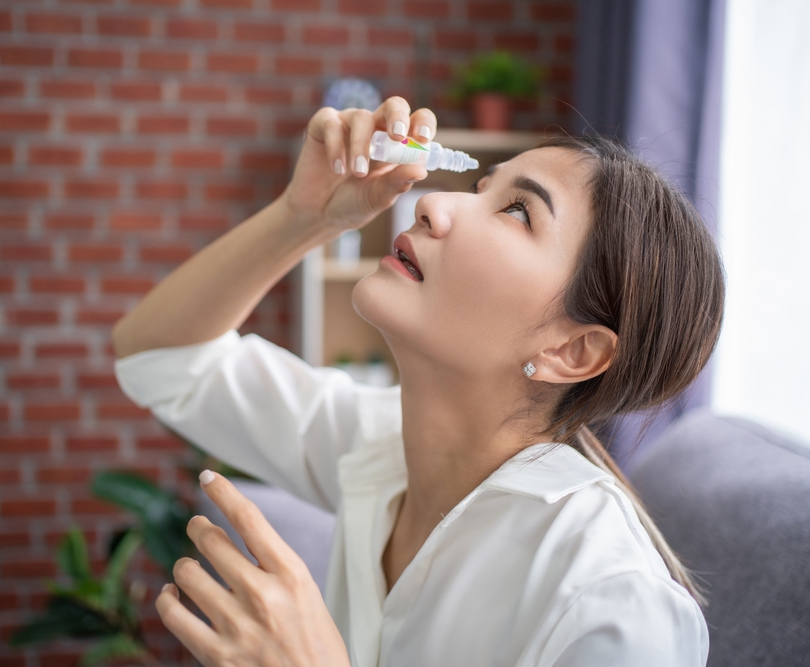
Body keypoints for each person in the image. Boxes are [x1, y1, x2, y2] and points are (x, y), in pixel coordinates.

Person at [112, 96, 724, 666]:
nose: (433, 202)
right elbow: (158, 358)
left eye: (517, 211)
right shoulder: (379, 445)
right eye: (483, 187)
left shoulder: (613, 605)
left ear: (572, 349)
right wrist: (303, 216)